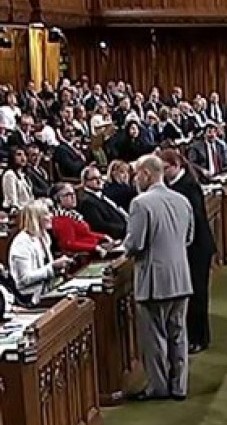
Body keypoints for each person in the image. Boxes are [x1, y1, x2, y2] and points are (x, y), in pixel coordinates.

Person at [125, 154, 194, 402]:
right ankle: (180, 386)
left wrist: (124, 246)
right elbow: (189, 238)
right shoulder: (182, 200)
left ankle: (159, 387)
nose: (134, 179)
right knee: (178, 333)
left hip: (153, 280)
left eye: (136, 174)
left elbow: (135, 244)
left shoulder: (140, 204)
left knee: (154, 337)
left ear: (146, 173)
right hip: (180, 276)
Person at [160, 149, 217, 354]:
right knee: (193, 294)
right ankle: (196, 336)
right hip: (192, 248)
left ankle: (199, 338)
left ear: (176, 165)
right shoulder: (180, 185)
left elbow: (191, 221)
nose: (163, 173)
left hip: (197, 248)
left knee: (198, 294)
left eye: (165, 168)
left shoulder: (188, 187)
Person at [8, 200, 72, 305]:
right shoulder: (21, 243)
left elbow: (47, 267)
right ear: (36, 218)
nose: (51, 216)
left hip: (47, 289)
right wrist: (53, 267)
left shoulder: (44, 236)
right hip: (30, 296)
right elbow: (24, 279)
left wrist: (59, 268)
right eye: (46, 214)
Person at [50, 183, 113, 256]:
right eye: (68, 195)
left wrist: (103, 237)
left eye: (73, 193)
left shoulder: (72, 214)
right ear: (57, 198)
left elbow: (85, 234)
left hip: (91, 248)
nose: (73, 197)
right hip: (80, 256)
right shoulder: (61, 217)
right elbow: (69, 244)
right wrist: (95, 247)